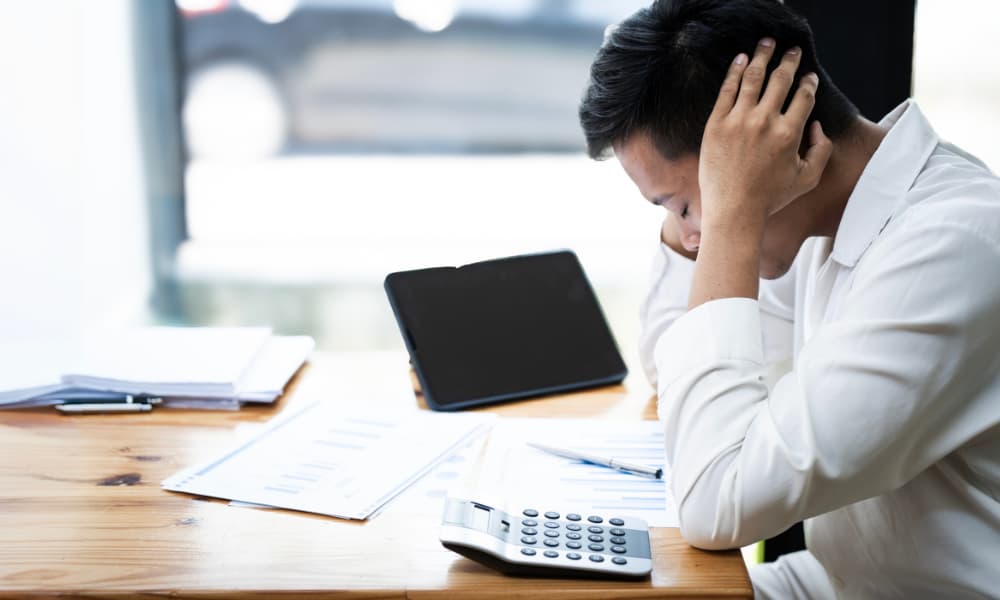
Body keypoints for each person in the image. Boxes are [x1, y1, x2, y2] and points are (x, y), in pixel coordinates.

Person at [578, 0, 1000, 598]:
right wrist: (705, 212)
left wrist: (729, 216)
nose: (691, 240)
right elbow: (675, 372)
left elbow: (717, 502)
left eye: (683, 205)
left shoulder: (947, 248)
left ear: (772, 143)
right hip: (838, 584)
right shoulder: (823, 223)